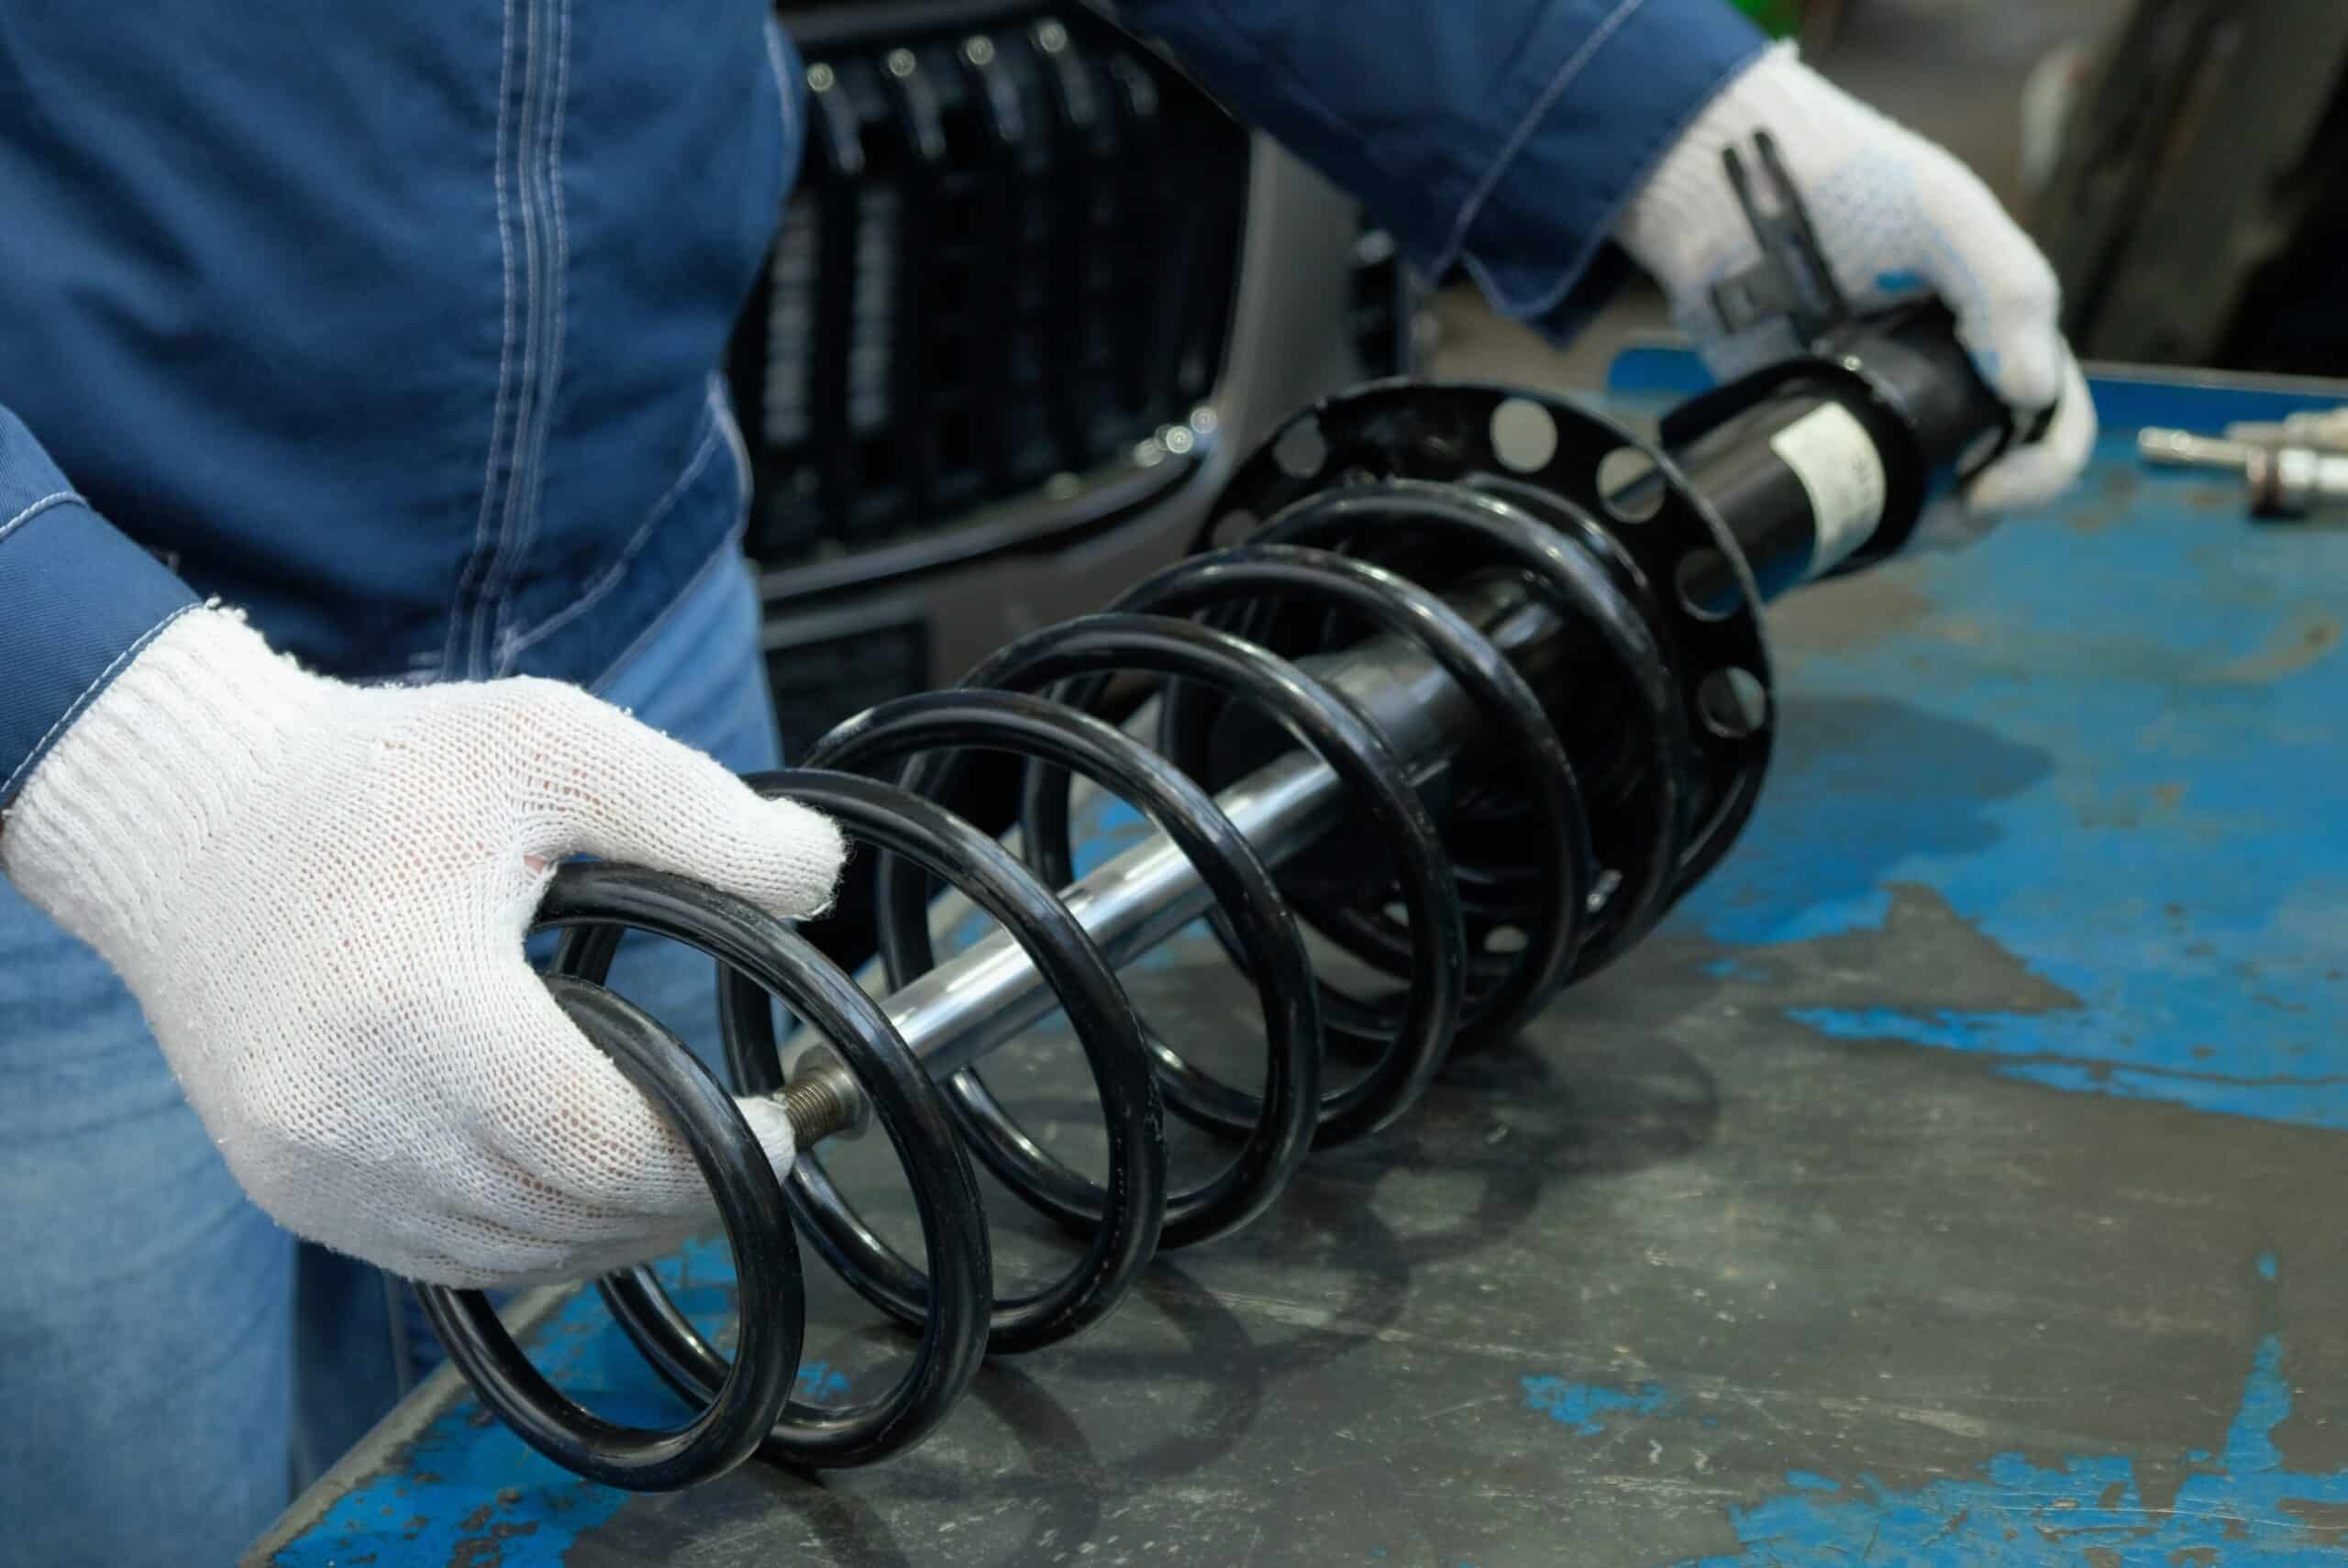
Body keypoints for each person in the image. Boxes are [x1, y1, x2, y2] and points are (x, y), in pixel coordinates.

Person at [0, 2, 2094, 1561]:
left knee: (668, 1441)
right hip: (78, 764)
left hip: (620, 617)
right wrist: (123, 742)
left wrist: (1626, 102)